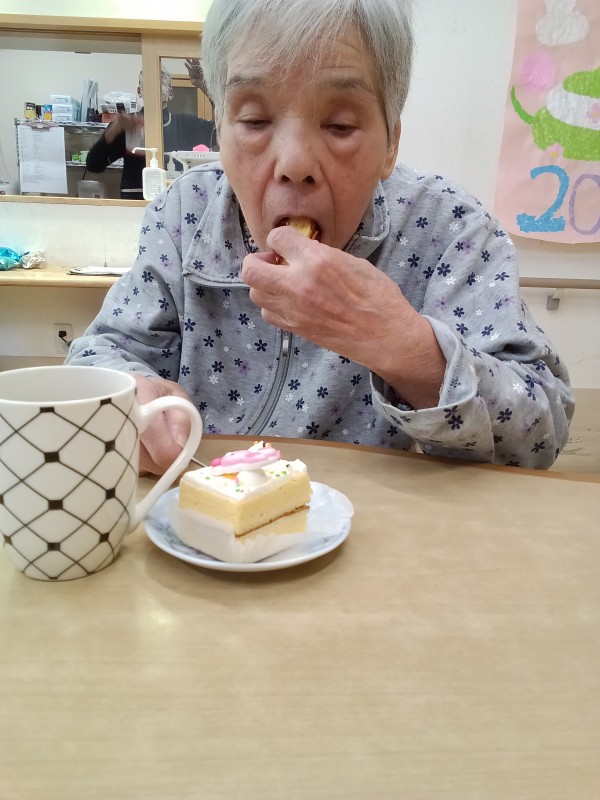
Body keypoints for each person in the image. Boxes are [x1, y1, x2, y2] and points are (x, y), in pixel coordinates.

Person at [66, 0, 574, 475]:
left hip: (373, 521)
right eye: (254, 120)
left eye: (339, 125)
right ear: (220, 127)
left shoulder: (449, 228)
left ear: (391, 144)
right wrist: (126, 394)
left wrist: (405, 346)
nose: (294, 163)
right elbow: (99, 354)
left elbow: (541, 431)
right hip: (201, 509)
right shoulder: (184, 213)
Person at [85, 67, 216, 199]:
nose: (155, 85)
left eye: (161, 81)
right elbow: (93, 165)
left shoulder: (185, 124)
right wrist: (111, 133)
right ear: (139, 91)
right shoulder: (125, 124)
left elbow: (219, 133)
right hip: (135, 205)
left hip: (176, 202)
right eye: (149, 82)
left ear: (170, 93)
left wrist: (207, 89)